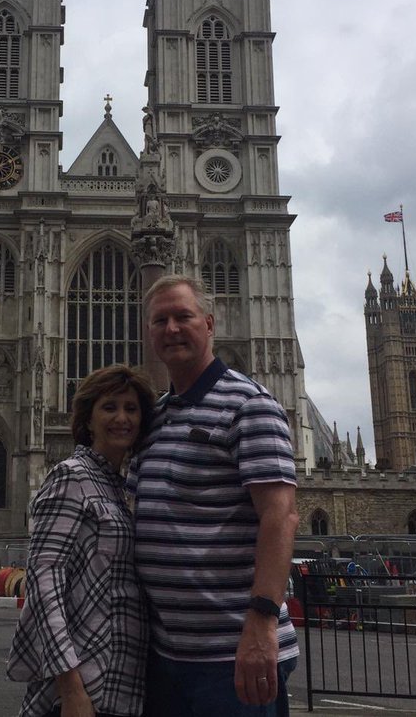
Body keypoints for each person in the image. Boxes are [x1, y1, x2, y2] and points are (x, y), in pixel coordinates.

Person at [130, 275, 300, 716]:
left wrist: (262, 623)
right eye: (160, 320)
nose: (171, 329)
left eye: (183, 317)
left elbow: (280, 517)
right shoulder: (158, 417)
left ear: (209, 324)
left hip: (233, 657)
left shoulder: (250, 404)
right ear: (148, 333)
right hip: (166, 657)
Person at [8, 364, 155, 717]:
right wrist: (70, 687)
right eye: (109, 407)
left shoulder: (119, 487)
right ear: (87, 420)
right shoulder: (70, 476)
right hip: (83, 687)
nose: (122, 418)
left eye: (131, 409)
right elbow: (44, 582)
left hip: (123, 684)